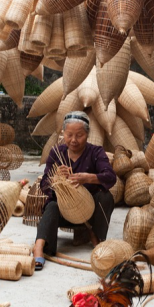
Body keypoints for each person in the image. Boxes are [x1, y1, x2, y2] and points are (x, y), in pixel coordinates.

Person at [33, 111, 117, 271]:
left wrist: (88, 178)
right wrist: (56, 178)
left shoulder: (96, 152)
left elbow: (110, 177)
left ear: (87, 134)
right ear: (63, 133)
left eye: (79, 135)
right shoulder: (56, 153)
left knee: (106, 197)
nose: (73, 140)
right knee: (51, 206)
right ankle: (39, 246)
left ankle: (97, 237)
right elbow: (44, 185)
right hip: (65, 213)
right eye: (69, 134)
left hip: (89, 213)